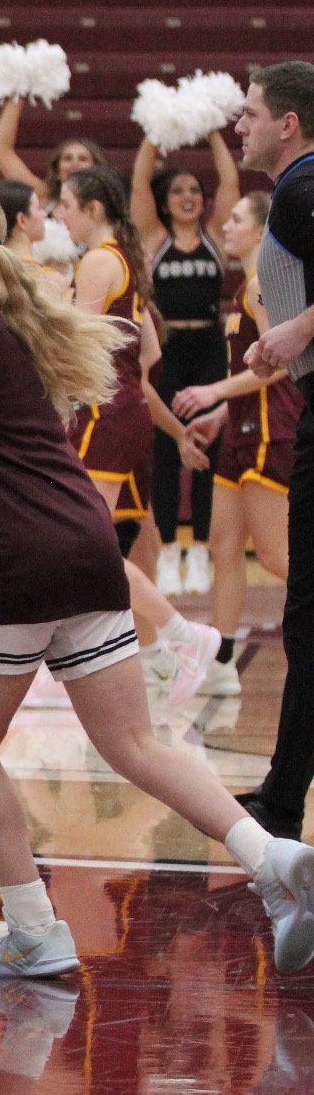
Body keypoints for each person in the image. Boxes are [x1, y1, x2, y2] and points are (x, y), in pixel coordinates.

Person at [0, 181, 314, 983]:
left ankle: (32, 925)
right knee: (135, 743)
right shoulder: (10, 315)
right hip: (86, 545)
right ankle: (273, 855)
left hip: (12, 561)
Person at [54, 164, 222, 685]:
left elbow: (73, 348)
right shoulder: (125, 260)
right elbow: (148, 349)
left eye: (66, 204)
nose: (61, 213)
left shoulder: (98, 262)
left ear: (93, 210)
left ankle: (180, 634)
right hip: (126, 409)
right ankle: (147, 646)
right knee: (87, 544)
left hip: (102, 412)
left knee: (87, 547)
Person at [234, 60, 314, 838]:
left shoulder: (297, 188)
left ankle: (282, 801)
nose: (239, 124)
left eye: (250, 112)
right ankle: (281, 795)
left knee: (308, 614)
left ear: (288, 122)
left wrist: (299, 328)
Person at [177, 193, 291, 699]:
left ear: (264, 229)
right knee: (223, 545)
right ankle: (221, 660)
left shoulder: (265, 282)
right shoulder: (249, 284)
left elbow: (279, 365)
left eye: (239, 218)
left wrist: (213, 391)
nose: (226, 225)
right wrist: (219, 415)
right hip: (240, 429)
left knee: (275, 556)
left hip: (271, 429)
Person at [131, 130, 242, 596]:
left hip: (209, 346)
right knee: (164, 447)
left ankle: (199, 549)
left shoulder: (216, 236)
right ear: (165, 201)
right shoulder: (154, 237)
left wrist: (213, 128)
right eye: (177, 190)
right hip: (169, 348)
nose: (188, 197)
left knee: (207, 448)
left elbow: (231, 181)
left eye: (194, 190)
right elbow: (138, 187)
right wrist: (156, 133)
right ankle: (170, 547)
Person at [0, 97, 110, 209]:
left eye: (83, 159)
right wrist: (17, 94)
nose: (74, 163)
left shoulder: (109, 207)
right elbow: (3, 151)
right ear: (57, 170)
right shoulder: (43, 197)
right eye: (67, 158)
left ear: (97, 168)